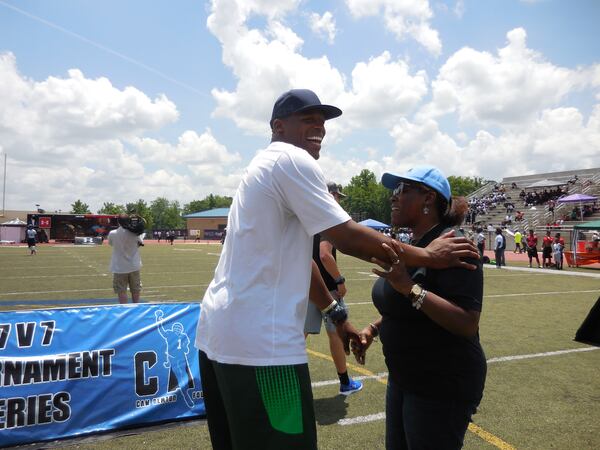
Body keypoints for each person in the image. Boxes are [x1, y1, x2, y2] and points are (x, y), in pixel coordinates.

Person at [194, 89, 479, 450]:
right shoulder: (291, 160)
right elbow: (346, 237)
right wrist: (429, 257)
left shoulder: (262, 166)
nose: (320, 128)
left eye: (322, 121)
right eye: (308, 119)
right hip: (262, 347)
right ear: (278, 126)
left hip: (220, 336)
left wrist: (336, 314)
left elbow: (303, 261)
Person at [352, 166, 486, 450]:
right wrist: (374, 329)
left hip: (441, 383)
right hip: (404, 377)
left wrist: (409, 288)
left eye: (401, 190)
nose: (393, 198)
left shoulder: (456, 245)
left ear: (428, 199)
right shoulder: (415, 246)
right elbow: (401, 307)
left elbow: (466, 322)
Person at [304, 182, 362, 396]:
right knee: (336, 335)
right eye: (337, 196)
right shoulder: (327, 220)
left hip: (308, 286)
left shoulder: (307, 217)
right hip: (328, 291)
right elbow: (325, 255)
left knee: (298, 337)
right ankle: (345, 382)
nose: (338, 201)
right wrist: (339, 280)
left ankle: (285, 381)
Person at [108, 214, 145, 304]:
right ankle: (136, 308)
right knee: (136, 289)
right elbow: (139, 244)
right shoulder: (135, 233)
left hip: (119, 267)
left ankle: (124, 310)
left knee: (121, 290)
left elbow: (111, 244)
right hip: (134, 266)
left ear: (118, 222)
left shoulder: (112, 233)